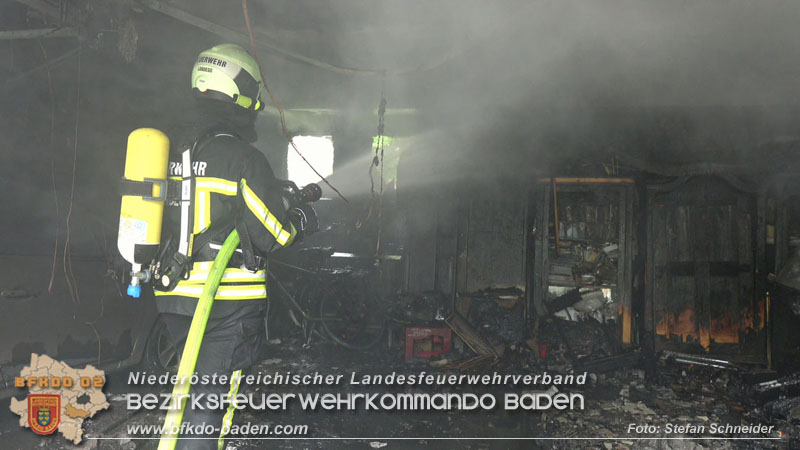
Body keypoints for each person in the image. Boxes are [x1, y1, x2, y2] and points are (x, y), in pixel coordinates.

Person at [154, 43, 315, 450]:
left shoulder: (170, 150)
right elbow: (273, 235)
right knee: (211, 403)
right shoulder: (242, 157)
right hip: (225, 305)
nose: (258, 104)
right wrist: (300, 220)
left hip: (171, 298)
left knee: (190, 391)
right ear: (239, 91)